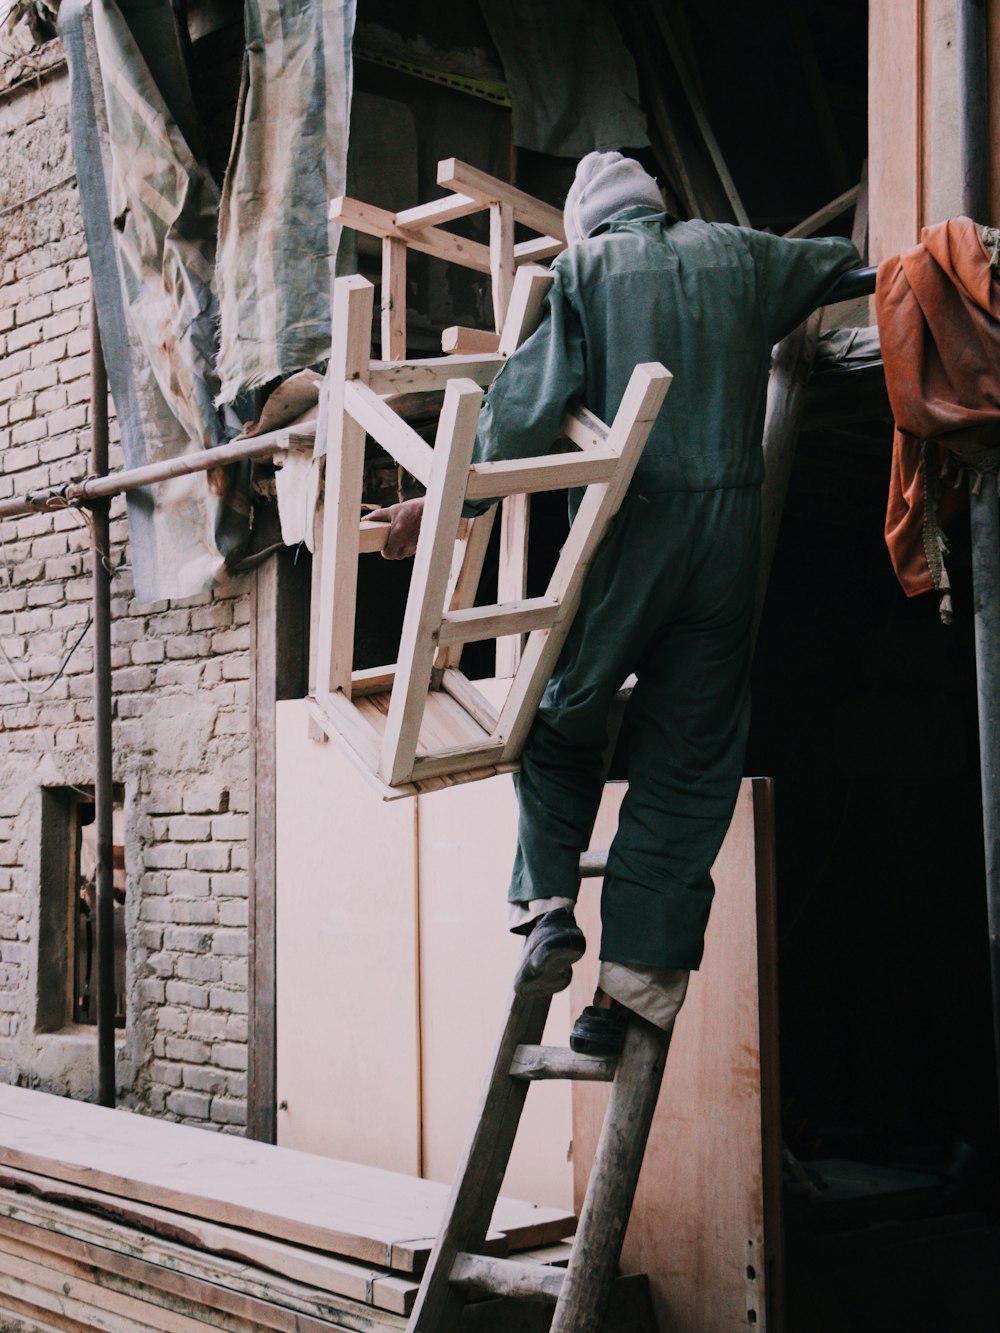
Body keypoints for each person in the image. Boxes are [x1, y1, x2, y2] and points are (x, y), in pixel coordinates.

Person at [370, 151, 860, 1055]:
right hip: (728, 542)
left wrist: (436, 505)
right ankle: (632, 995)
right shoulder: (740, 254)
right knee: (692, 755)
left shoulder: (584, 271)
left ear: (585, 223)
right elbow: (845, 264)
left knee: (560, 716)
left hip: (633, 529)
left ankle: (550, 908)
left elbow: (521, 412)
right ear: (656, 207)